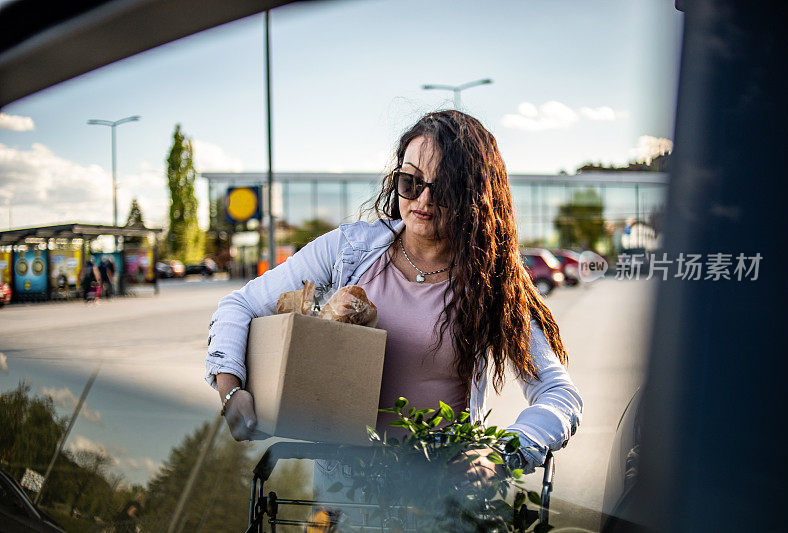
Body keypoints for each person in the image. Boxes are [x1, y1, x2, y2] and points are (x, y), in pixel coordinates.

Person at [205, 110, 582, 492]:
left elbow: (559, 394)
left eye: (445, 187)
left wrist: (503, 452)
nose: (424, 199)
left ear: (476, 196)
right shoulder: (348, 250)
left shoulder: (490, 281)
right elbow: (239, 306)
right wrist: (231, 390)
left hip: (441, 500)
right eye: (411, 182)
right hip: (342, 497)